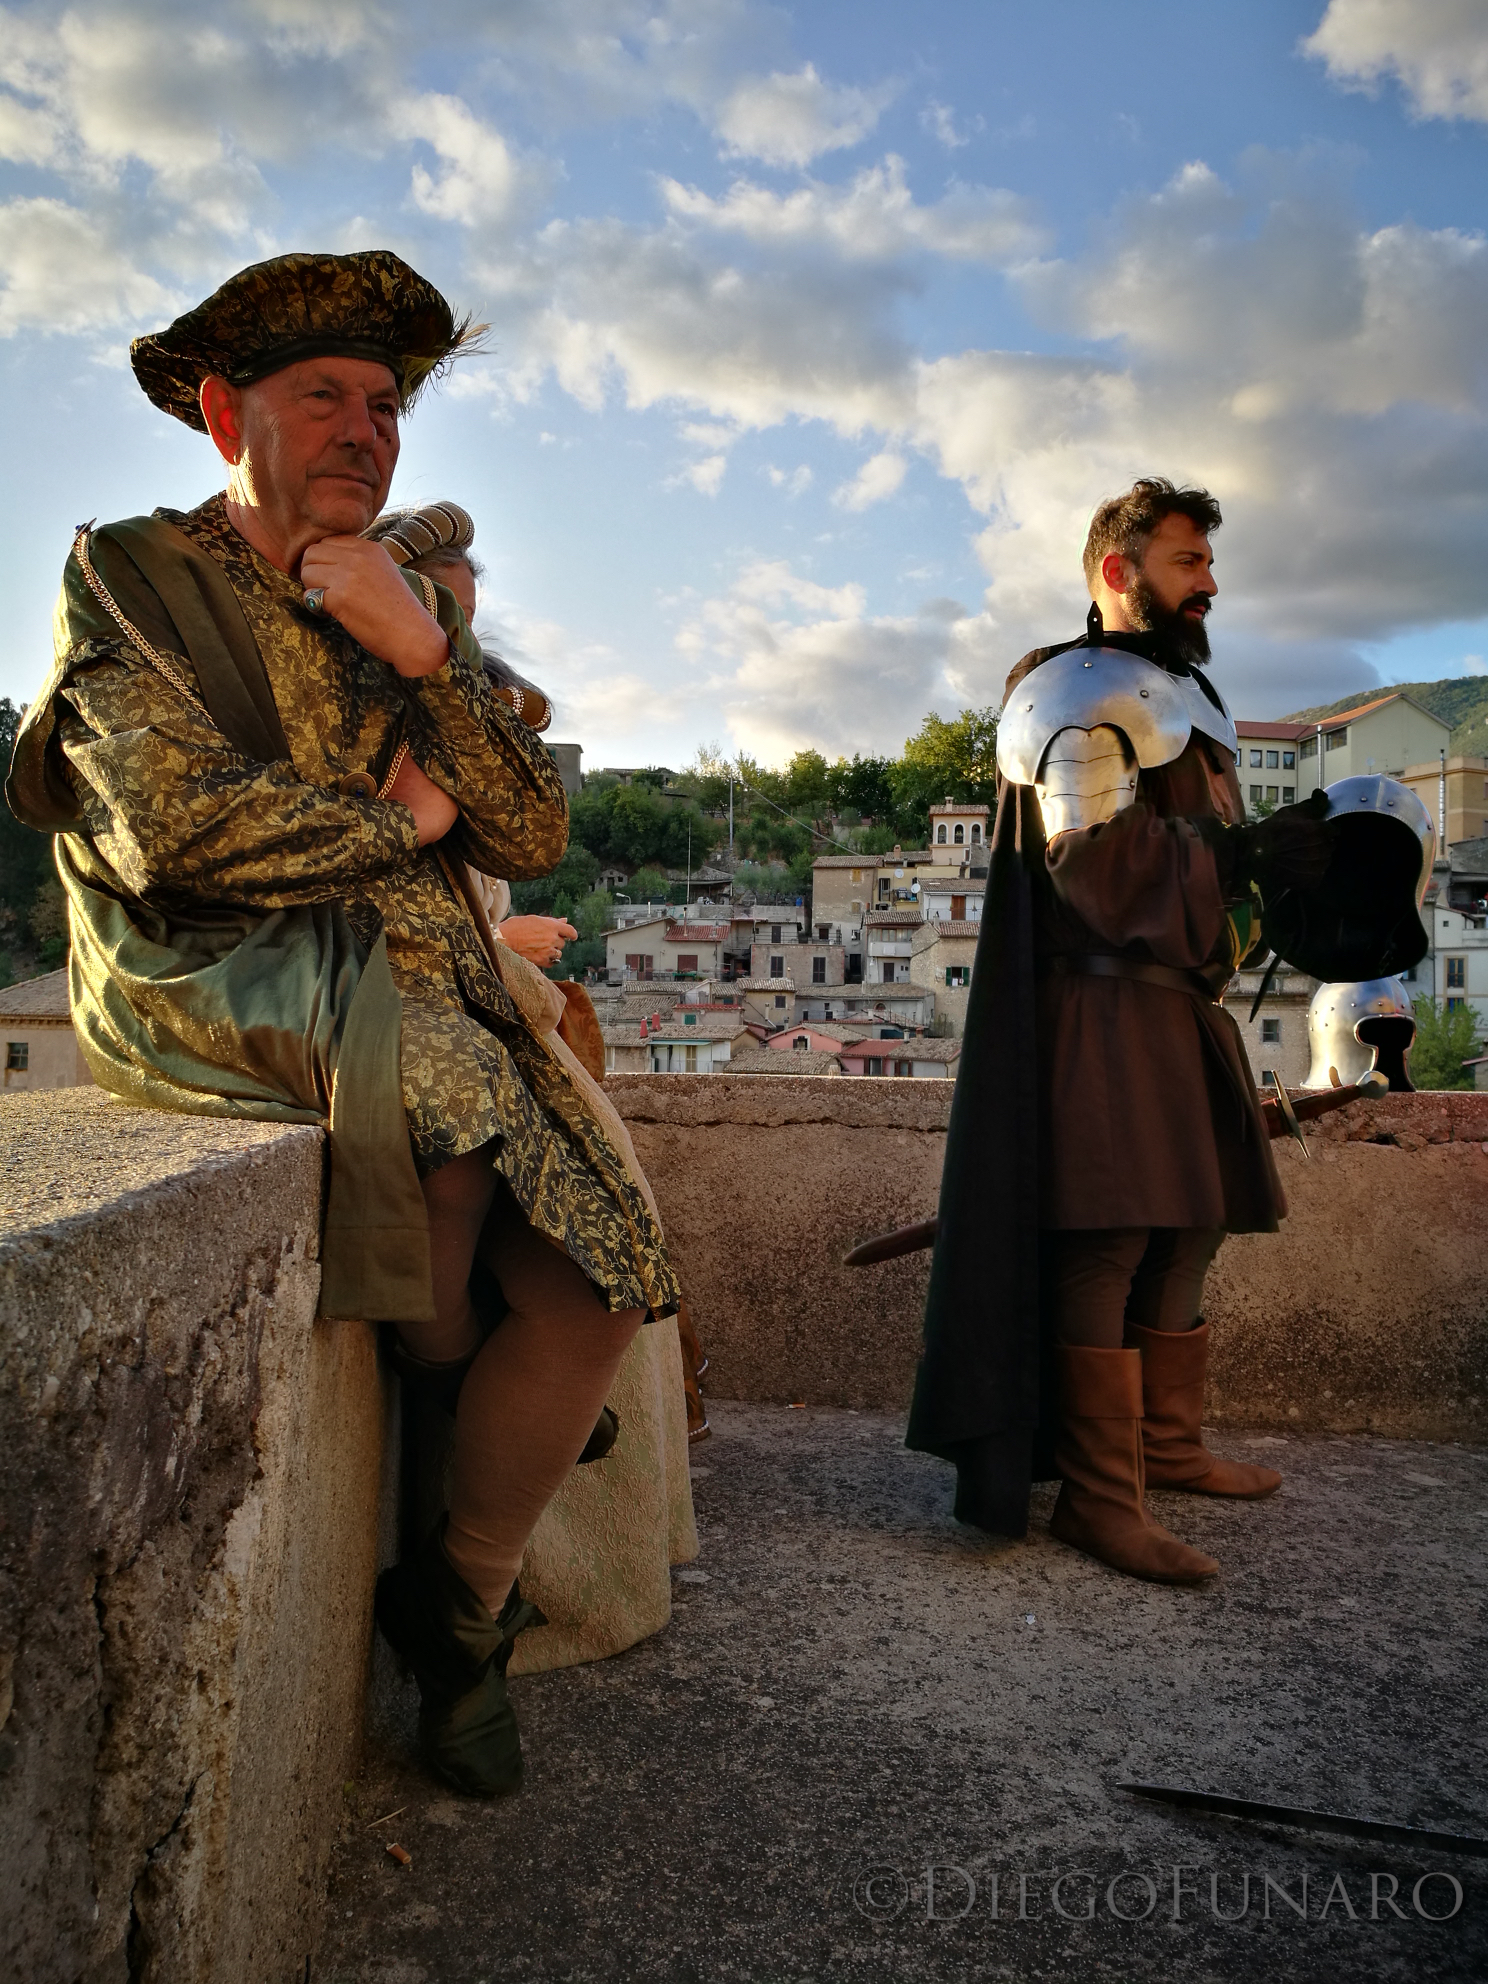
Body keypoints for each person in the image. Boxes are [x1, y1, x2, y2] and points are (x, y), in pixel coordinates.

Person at [7, 250, 684, 1794]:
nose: (364, 431)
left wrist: (425, 656)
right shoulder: (134, 573)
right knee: (443, 1144)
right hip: (222, 971)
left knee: (604, 1276)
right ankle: (466, 1389)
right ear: (223, 414)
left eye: (385, 407)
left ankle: (458, 1607)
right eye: (324, 397)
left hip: (424, 965)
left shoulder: (407, 595)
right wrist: (405, 818)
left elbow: (527, 826)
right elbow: (177, 833)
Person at [906, 478, 1333, 1584]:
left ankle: (1167, 1449)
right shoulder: (1075, 689)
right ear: (1116, 570)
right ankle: (1100, 1499)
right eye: (1188, 562)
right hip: (1099, 1003)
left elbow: (1215, 870)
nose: (1209, 583)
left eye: (1208, 562)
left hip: (1178, 1001)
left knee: (1191, 1225)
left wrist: (1279, 873)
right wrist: (1239, 855)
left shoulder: (1189, 699)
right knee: (1108, 1241)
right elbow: (1089, 864)